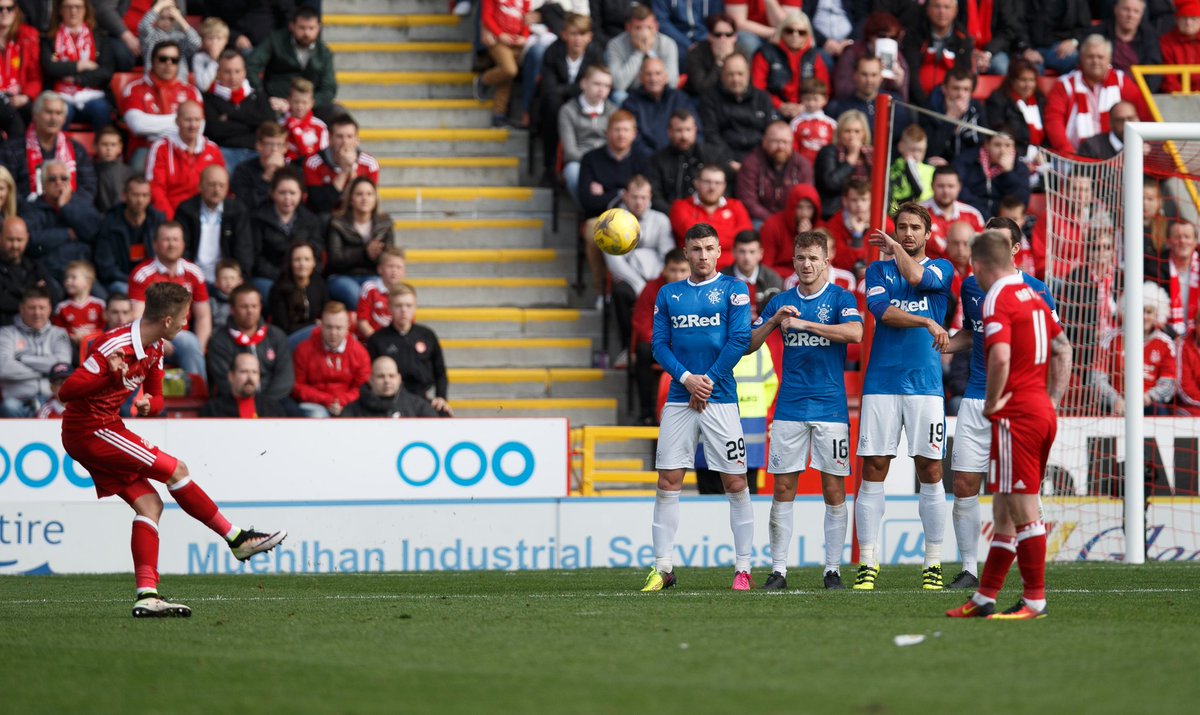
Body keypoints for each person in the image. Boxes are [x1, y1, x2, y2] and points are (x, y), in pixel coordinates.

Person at [58, 282, 286, 616]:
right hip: (90, 430)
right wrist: (110, 375)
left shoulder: (154, 349)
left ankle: (147, 595)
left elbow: (158, 396)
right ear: (167, 319)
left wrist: (151, 403)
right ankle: (236, 538)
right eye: (183, 317)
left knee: (150, 506)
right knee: (175, 469)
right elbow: (67, 391)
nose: (185, 324)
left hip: (106, 426)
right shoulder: (115, 346)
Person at [946, 229, 1071, 620]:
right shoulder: (1032, 295)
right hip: (1038, 410)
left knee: (1023, 509)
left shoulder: (996, 297)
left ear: (978, 266)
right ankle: (985, 597)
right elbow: (1063, 347)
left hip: (1016, 415)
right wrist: (1051, 401)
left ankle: (1035, 600)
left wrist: (995, 401)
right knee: (1003, 510)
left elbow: (998, 357)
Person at [746, 230, 862, 589]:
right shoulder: (780, 300)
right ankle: (778, 570)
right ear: (793, 262)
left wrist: (804, 324)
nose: (807, 264)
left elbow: (855, 334)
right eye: (801, 258)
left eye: (814, 258)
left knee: (834, 490)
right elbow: (747, 345)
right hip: (789, 408)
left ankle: (832, 570)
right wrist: (773, 320)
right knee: (782, 489)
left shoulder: (841, 297)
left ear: (826, 261)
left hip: (830, 408)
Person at [641, 223, 752, 591]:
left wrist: (704, 382)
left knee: (735, 481)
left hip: (719, 398)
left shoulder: (734, 289)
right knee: (668, 480)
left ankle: (743, 569)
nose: (703, 255)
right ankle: (662, 567)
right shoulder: (668, 294)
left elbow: (738, 340)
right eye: (696, 249)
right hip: (679, 397)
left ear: (720, 252)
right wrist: (688, 379)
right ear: (685, 253)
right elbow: (659, 346)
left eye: (709, 248)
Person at [854, 202, 953, 591]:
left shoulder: (943, 268)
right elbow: (883, 313)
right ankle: (868, 561)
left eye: (914, 228)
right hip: (881, 383)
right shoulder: (876, 271)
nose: (907, 233)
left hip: (925, 385)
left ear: (928, 233)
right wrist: (927, 319)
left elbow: (915, 277)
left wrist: (894, 247)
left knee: (929, 469)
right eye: (901, 228)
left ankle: (932, 563)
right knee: (874, 467)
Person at [128, 221, 210, 379]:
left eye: (175, 239)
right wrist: (158, 341)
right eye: (166, 240)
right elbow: (137, 317)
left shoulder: (194, 273)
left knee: (190, 343)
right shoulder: (142, 274)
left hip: (182, 338)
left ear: (183, 244)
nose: (171, 245)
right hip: (149, 336)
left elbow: (203, 316)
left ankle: (197, 397)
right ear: (155, 245)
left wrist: (198, 348)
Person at [1043, 34, 1145, 155]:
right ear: (1081, 58)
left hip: (1118, 156)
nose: (1095, 61)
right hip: (1075, 157)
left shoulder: (1122, 81)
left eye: (1100, 57)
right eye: (1090, 57)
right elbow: (1054, 121)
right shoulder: (1064, 84)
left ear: (1109, 59)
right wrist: (1068, 153)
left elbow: (1142, 113)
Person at [606, 174, 673, 357]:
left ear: (650, 197)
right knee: (620, 293)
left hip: (657, 277)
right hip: (630, 278)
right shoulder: (611, 221)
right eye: (635, 197)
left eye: (643, 197)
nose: (638, 202)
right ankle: (628, 347)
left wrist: (654, 284)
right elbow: (615, 262)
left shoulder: (660, 220)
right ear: (625, 196)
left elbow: (667, 256)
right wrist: (642, 288)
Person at [536, 13, 605, 181]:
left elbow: (597, 84)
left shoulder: (595, 53)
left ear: (589, 37)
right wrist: (579, 88)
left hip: (585, 102)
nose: (577, 39)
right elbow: (548, 88)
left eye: (582, 34)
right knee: (553, 107)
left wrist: (569, 90)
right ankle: (550, 167)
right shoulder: (552, 51)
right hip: (556, 105)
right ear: (564, 34)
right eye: (573, 33)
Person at [366, 283, 452, 416]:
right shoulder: (377, 340)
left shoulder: (427, 335)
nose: (404, 310)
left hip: (422, 399)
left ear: (415, 308)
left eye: (408, 305)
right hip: (389, 401)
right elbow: (368, 377)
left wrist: (441, 397)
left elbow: (440, 372)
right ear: (389, 308)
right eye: (398, 305)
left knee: (444, 415)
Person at [1095, 282, 1177, 416]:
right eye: (1140, 311)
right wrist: (1115, 399)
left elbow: (1168, 384)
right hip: (1115, 404)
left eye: (1149, 312)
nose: (1144, 317)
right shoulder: (1111, 339)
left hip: (1149, 404)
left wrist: (1148, 397)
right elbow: (1097, 378)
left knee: (1160, 411)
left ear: (1157, 314)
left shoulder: (1165, 344)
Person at [0, 91, 97, 204]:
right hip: (27, 214)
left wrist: (68, 206)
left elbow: (88, 186)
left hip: (69, 213)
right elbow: (6, 187)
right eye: (49, 112)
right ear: (35, 116)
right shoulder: (12, 149)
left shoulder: (77, 150)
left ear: (64, 119)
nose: (53, 118)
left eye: (58, 113)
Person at [205, 283, 294, 403]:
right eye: (244, 306)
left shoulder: (276, 336)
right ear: (232, 309)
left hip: (274, 401)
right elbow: (224, 381)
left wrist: (264, 404)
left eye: (254, 306)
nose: (250, 311)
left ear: (261, 307)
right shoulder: (219, 340)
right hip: (233, 402)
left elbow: (285, 378)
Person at [120, 39, 203, 166]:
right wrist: (181, 122)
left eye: (174, 60)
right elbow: (138, 125)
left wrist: (153, 126)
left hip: (182, 148)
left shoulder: (191, 91)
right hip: (146, 148)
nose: (168, 64)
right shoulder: (134, 89)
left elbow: (200, 126)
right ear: (153, 61)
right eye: (163, 59)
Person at [246, 7, 337, 122]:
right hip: (276, 103)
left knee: (337, 113)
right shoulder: (275, 40)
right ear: (292, 26)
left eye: (311, 28)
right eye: (302, 28)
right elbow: (251, 64)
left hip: (311, 105)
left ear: (318, 28)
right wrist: (263, 97)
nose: (306, 33)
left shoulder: (324, 52)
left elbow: (329, 88)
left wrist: (307, 103)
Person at [631, 248, 690, 424]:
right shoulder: (651, 289)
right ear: (664, 270)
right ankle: (646, 412)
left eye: (683, 270)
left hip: (689, 345)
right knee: (642, 351)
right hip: (661, 345)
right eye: (673, 270)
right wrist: (665, 344)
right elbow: (642, 324)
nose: (678, 276)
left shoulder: (699, 290)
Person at [19, 159, 100, 284]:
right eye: (52, 179)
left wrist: (65, 207)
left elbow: (92, 233)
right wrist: (66, 234)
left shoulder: (83, 204)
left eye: (64, 178)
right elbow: (30, 240)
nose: (58, 182)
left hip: (81, 275)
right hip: (48, 274)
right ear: (43, 184)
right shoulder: (32, 208)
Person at [145, 101, 225, 220]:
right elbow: (156, 189)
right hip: (171, 217)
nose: (193, 125)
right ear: (177, 121)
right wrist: (172, 220)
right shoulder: (161, 148)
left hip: (204, 218)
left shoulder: (212, 150)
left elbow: (222, 186)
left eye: (197, 120)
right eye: (188, 120)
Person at [41, 0, 113, 131]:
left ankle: (104, 151)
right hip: (60, 94)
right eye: (68, 7)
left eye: (78, 7)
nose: (73, 11)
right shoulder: (49, 37)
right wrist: (81, 65)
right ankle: (58, 151)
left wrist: (76, 79)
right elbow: (49, 68)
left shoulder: (99, 36)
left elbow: (106, 71)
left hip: (91, 93)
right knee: (58, 112)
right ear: (60, 10)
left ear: (86, 9)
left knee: (101, 109)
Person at [699, 52, 779, 170]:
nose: (735, 79)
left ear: (748, 74)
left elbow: (770, 132)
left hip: (760, 162)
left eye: (740, 74)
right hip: (725, 163)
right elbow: (711, 134)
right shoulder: (710, 99)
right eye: (730, 74)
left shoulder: (763, 98)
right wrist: (729, 161)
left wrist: (759, 161)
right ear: (722, 76)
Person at [0, 285, 72, 416]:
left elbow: (62, 364)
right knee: (9, 406)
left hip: (53, 399)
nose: (37, 313)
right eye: (32, 308)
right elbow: (3, 367)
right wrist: (46, 373)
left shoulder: (59, 334)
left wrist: (22, 358)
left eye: (42, 308)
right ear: (21, 309)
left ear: (49, 309)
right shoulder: (6, 333)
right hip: (19, 400)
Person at [291, 300, 370, 418]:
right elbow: (296, 386)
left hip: (348, 404)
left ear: (348, 326)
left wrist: (342, 401)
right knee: (317, 415)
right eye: (329, 327)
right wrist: (327, 400)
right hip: (315, 404)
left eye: (339, 328)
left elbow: (363, 387)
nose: (333, 333)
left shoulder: (359, 352)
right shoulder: (304, 350)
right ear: (321, 325)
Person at [174, 165, 253, 283]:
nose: (217, 190)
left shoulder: (238, 211)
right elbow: (182, 249)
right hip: (192, 276)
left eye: (222, 185)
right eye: (212, 185)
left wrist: (240, 278)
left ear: (227, 189)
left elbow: (243, 250)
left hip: (226, 279)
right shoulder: (186, 210)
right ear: (200, 186)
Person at [326, 177, 395, 310]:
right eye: (359, 194)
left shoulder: (385, 224)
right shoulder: (337, 223)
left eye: (369, 194)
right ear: (351, 199)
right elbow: (335, 259)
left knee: (376, 294)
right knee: (358, 296)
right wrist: (365, 252)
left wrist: (380, 254)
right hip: (342, 277)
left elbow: (390, 257)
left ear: (375, 199)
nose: (365, 198)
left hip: (373, 275)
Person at [668, 164, 753, 272]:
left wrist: (707, 236)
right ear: (696, 183)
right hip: (694, 272)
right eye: (707, 182)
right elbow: (696, 238)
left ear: (724, 186)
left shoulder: (736, 206)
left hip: (733, 273)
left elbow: (745, 238)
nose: (712, 187)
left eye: (718, 183)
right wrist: (730, 237)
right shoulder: (680, 207)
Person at [250, 169, 324, 292]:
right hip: (270, 278)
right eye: (282, 193)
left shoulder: (311, 220)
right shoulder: (258, 219)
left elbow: (317, 255)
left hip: (304, 278)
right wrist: (283, 277)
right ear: (272, 193)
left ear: (301, 195)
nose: (287, 198)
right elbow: (256, 258)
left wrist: (302, 276)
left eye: (292, 193)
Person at [203, 49, 277, 169]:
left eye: (237, 71)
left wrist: (232, 115)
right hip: (225, 151)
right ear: (218, 73)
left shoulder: (257, 95)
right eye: (227, 72)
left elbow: (270, 124)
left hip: (257, 151)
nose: (233, 77)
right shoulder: (209, 98)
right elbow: (215, 131)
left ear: (244, 72)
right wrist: (253, 125)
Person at [750, 10, 830, 121]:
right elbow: (757, 88)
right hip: (771, 110)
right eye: (789, 31)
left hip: (807, 110)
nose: (795, 35)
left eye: (801, 32)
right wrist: (780, 105)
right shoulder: (765, 53)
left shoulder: (814, 56)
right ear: (781, 32)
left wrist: (805, 106)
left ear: (808, 35)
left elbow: (824, 89)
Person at [647, 109, 728, 215]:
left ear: (695, 130)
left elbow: (724, 189)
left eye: (688, 130)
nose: (684, 136)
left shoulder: (711, 156)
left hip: (708, 216)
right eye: (678, 130)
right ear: (669, 132)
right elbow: (655, 196)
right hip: (670, 217)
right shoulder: (657, 160)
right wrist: (677, 215)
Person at [558, 64, 618, 203]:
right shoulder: (567, 111)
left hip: (608, 161)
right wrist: (594, 167)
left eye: (607, 86)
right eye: (597, 84)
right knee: (572, 171)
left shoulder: (614, 111)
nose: (601, 90)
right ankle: (587, 212)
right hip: (580, 161)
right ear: (584, 84)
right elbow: (570, 152)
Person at [94, 176, 162, 295]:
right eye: (135, 195)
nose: (140, 200)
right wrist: (136, 281)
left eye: (145, 195)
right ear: (124, 196)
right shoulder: (109, 223)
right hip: (121, 282)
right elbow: (106, 267)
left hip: (153, 280)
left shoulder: (158, 221)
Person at [736, 120, 812, 225]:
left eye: (785, 142)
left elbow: (806, 198)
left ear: (792, 143)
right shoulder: (751, 163)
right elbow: (748, 201)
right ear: (764, 141)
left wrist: (790, 220)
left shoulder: (802, 165)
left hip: (793, 219)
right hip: (761, 219)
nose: (780, 147)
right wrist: (773, 221)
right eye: (775, 141)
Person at [301, 115, 380, 216]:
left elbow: (366, 203)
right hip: (323, 217)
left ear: (357, 140)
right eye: (339, 136)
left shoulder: (369, 164)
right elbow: (320, 206)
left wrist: (351, 170)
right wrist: (344, 172)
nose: (345, 142)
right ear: (330, 139)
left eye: (349, 137)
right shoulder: (313, 163)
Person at [827, 54, 911, 147]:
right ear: (855, 75)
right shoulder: (842, 108)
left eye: (874, 75)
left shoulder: (895, 103)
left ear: (881, 77)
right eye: (864, 74)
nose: (869, 80)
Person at [621, 56, 698, 157]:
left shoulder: (680, 98)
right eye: (648, 74)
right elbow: (633, 139)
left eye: (658, 73)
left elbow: (696, 130)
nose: (653, 79)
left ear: (665, 77)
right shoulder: (631, 103)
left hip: (681, 157)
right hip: (648, 161)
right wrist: (656, 159)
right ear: (641, 78)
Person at [604, 5, 679, 104]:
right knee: (618, 96)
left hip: (658, 93)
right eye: (638, 28)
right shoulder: (615, 45)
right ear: (628, 27)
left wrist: (649, 53)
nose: (644, 34)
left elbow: (672, 82)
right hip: (631, 93)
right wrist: (638, 53)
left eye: (649, 28)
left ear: (656, 27)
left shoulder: (668, 44)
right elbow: (618, 84)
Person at [831, 11, 908, 102]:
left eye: (893, 38)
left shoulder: (897, 57)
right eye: (882, 36)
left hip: (884, 105)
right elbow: (841, 90)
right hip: (855, 105)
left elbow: (903, 101)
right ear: (871, 35)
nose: (887, 40)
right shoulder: (853, 52)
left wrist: (899, 85)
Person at [474, 0, 530, 126]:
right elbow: (486, 16)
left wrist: (525, 36)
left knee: (507, 78)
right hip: (498, 41)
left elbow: (527, 18)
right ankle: (484, 80)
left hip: (517, 42)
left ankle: (499, 114)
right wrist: (499, 34)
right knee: (510, 70)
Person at [954, 128, 1030, 220]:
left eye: (1008, 145)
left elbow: (1021, 201)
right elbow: (960, 191)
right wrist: (982, 214)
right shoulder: (967, 161)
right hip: (972, 215)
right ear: (987, 144)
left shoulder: (1019, 168)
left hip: (1002, 220)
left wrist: (1009, 173)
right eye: (997, 145)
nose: (1003, 150)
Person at [1, 216, 61, 325]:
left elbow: (54, 295)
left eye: (19, 240)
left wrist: (17, 295)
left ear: (27, 238)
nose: (15, 245)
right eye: (10, 239)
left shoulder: (34, 266)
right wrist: (32, 294)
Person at [984, 57, 1045, 165]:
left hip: (1040, 158)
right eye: (1023, 80)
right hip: (1012, 159)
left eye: (1031, 80)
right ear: (1012, 80)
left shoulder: (1040, 100)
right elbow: (1000, 136)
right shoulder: (998, 100)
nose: (1028, 85)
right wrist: (1028, 155)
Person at [920, 67, 986, 165]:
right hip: (937, 167)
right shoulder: (929, 108)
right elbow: (930, 150)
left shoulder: (977, 109)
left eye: (966, 89)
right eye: (955, 88)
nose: (961, 94)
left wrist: (954, 165)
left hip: (965, 167)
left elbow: (982, 147)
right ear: (944, 89)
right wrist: (950, 117)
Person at [813, 108, 871, 221]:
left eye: (857, 131)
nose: (852, 136)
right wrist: (851, 158)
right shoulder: (828, 152)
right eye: (847, 131)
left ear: (864, 134)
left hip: (868, 214)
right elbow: (830, 183)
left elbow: (883, 187)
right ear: (839, 133)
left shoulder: (871, 155)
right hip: (835, 213)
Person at [341, 354, 441, 418]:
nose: (387, 381)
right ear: (370, 380)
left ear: (399, 379)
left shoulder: (418, 406)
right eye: (381, 376)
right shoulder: (352, 410)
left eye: (391, 376)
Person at [199, 350, 290, 417]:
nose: (250, 378)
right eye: (244, 372)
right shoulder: (212, 409)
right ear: (231, 376)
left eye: (254, 372)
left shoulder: (273, 408)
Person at [921, 166, 986, 259]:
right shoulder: (918, 213)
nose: (946, 191)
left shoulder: (973, 215)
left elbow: (981, 250)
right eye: (941, 186)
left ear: (959, 187)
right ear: (932, 186)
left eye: (950, 186)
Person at [267, 241, 326, 340]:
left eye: (307, 259)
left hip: (314, 336)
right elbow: (284, 329)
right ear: (290, 263)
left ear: (314, 262)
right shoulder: (278, 289)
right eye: (297, 260)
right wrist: (313, 324)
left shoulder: (319, 283)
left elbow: (326, 309)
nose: (302, 264)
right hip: (287, 339)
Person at [760, 182, 820, 279]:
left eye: (809, 208)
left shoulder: (820, 228)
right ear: (792, 207)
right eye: (799, 207)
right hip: (780, 280)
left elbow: (825, 265)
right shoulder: (772, 225)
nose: (804, 213)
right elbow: (766, 267)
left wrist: (809, 239)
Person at [0, 0, 41, 139]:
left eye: (9, 8)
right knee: (13, 120)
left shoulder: (28, 37)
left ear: (16, 10)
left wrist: (26, 96)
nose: (4, 12)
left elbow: (35, 77)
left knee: (34, 114)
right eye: (0, 8)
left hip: (18, 97)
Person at [1103, 0, 1163, 91]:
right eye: (1126, 9)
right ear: (1116, 9)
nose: (1130, 15)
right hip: (1105, 90)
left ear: (1142, 14)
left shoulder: (1150, 38)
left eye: (1136, 11)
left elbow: (1153, 71)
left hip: (1139, 93)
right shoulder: (1099, 34)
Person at [722, 230, 783, 318]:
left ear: (760, 253)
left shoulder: (773, 279)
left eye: (752, 252)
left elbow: (774, 316)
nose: (747, 257)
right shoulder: (722, 280)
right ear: (733, 252)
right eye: (742, 251)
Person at [683, 12, 743, 99]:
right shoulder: (697, 53)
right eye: (718, 35)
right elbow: (700, 88)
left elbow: (744, 85)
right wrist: (719, 63)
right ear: (709, 36)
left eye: (728, 35)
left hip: (730, 99)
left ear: (735, 37)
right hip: (699, 100)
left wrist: (730, 60)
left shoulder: (741, 53)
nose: (723, 39)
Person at [231, 121, 288, 210]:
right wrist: (266, 177)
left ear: (285, 148)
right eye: (269, 144)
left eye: (279, 145)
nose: (274, 149)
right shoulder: (243, 170)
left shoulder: (294, 171)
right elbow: (244, 205)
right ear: (259, 145)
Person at [355, 246, 407, 340]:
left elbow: (408, 325)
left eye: (398, 267)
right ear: (380, 269)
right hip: (371, 343)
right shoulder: (370, 289)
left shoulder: (405, 294)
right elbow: (362, 323)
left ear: (404, 272)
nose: (394, 271)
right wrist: (379, 343)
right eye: (390, 266)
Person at [52, 258, 104, 348]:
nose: (68, 281)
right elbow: (57, 331)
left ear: (88, 281)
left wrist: (89, 336)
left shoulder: (99, 305)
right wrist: (72, 336)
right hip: (70, 346)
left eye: (73, 277)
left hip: (95, 346)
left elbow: (105, 329)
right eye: (66, 278)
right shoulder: (62, 307)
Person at [887, 123, 934, 213]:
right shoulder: (891, 170)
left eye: (920, 150)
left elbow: (923, 196)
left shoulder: (931, 171)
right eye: (912, 150)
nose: (916, 155)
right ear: (901, 147)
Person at [789, 78, 837, 166]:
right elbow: (793, 147)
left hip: (825, 166)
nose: (811, 103)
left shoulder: (831, 124)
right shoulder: (796, 123)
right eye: (807, 99)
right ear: (801, 99)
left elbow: (835, 145)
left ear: (825, 99)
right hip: (802, 166)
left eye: (815, 99)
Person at [137, 0, 198, 67]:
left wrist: (180, 18)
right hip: (154, 76)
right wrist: (159, 6)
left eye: (171, 18)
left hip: (178, 77)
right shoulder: (150, 36)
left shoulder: (179, 38)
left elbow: (196, 42)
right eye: (162, 18)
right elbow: (143, 26)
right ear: (155, 18)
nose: (166, 21)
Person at [1166, 219, 1199, 339]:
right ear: (1168, 241)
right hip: (1168, 339)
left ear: (1195, 242)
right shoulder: (1156, 270)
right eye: (1177, 237)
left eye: (1187, 237)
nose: (1182, 241)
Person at [282, 77, 327, 163]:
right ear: (289, 100)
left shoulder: (320, 127)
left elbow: (323, 156)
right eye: (296, 102)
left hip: (312, 170)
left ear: (312, 103)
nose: (300, 107)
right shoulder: (280, 125)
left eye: (304, 102)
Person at [92, 126, 136, 214]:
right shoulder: (89, 171)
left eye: (113, 145)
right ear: (95, 147)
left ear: (120, 148)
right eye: (104, 144)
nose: (109, 149)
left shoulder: (129, 173)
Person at [1160, 0, 1200, 94]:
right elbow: (1168, 76)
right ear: (1177, 20)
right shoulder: (1166, 42)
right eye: (1184, 18)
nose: (1188, 23)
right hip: (1175, 98)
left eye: (1193, 18)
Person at [191, 16, 229, 92]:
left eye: (219, 38)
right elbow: (203, 86)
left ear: (226, 41)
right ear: (203, 40)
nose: (214, 42)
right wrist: (214, 60)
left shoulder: (230, 57)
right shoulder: (199, 58)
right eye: (210, 38)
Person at [209, 258, 241, 328]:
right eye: (224, 278)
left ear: (240, 281)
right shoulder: (211, 301)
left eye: (232, 278)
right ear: (216, 282)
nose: (228, 282)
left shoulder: (243, 301)